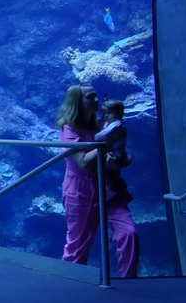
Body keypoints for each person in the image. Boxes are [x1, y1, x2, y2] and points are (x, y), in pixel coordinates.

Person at [56, 84, 140, 277]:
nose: (96, 100)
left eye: (96, 96)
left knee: (129, 234)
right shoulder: (69, 129)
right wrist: (105, 144)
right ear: (77, 102)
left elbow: (119, 153)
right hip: (82, 192)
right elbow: (83, 162)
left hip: (110, 189)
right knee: (77, 248)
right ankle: (70, 287)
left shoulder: (102, 124)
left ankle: (130, 284)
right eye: (91, 97)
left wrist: (121, 159)